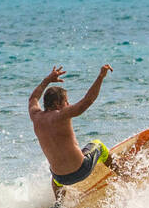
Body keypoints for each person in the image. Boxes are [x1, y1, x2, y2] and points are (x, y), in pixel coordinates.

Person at [28, 64, 114, 199]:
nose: (68, 104)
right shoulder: (61, 114)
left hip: (61, 178)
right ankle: (124, 174)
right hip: (81, 170)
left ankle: (59, 206)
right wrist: (101, 77)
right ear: (57, 104)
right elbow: (88, 100)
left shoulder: (35, 117)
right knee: (98, 144)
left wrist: (47, 80)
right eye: (66, 101)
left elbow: (33, 98)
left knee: (55, 177)